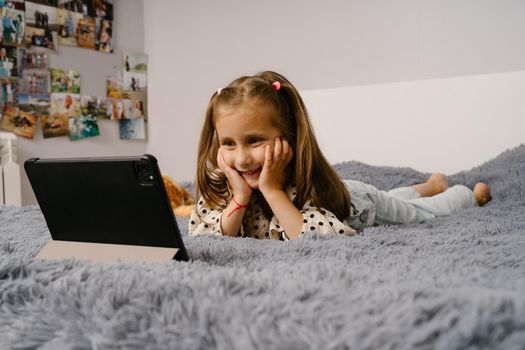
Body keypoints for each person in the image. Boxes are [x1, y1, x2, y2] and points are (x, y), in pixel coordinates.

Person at [189, 71, 492, 240]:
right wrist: (240, 197)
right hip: (352, 190)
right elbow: (208, 236)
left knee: (416, 212)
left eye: (254, 141)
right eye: (229, 143)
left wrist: (272, 189)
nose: (241, 159)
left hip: (360, 204)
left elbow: (314, 238)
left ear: (290, 138)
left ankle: (465, 194)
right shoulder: (224, 186)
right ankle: (427, 186)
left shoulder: (305, 184)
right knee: (395, 196)